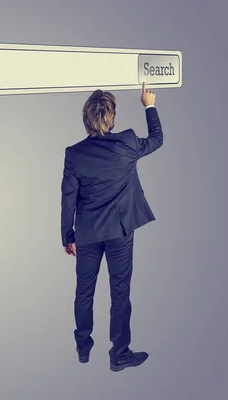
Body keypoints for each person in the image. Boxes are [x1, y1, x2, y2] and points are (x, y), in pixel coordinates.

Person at [61, 82, 162, 372]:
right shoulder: (128, 143)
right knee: (120, 293)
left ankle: (83, 348)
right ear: (112, 117)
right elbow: (157, 138)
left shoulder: (74, 154)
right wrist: (149, 105)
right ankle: (119, 354)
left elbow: (67, 198)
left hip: (88, 235)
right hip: (120, 232)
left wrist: (68, 236)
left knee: (84, 291)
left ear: (86, 118)